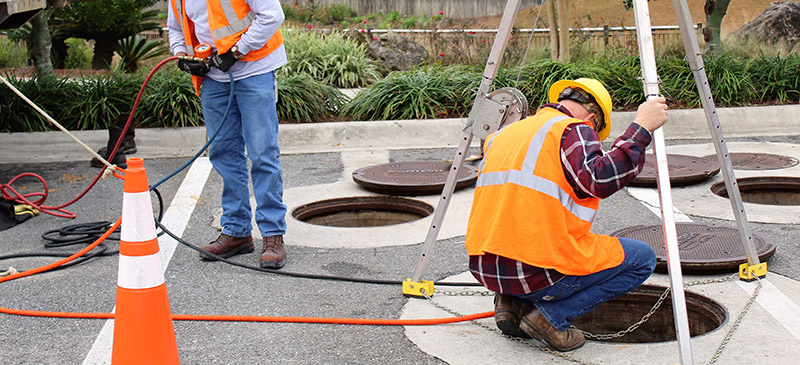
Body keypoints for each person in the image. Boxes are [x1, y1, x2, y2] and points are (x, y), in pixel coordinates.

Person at [465, 78, 669, 351]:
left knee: (524, 232)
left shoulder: (504, 134)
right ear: (593, 118)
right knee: (641, 259)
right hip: (535, 271)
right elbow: (600, 178)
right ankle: (550, 318)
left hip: (485, 266)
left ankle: (510, 303)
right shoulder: (573, 129)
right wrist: (641, 128)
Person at [168, 0, 288, 269]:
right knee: (224, 155)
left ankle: (272, 235)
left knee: (262, 153)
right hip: (213, 77)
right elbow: (176, 30)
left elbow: (271, 15)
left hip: (255, 69)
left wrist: (237, 51)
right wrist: (186, 58)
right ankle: (236, 232)